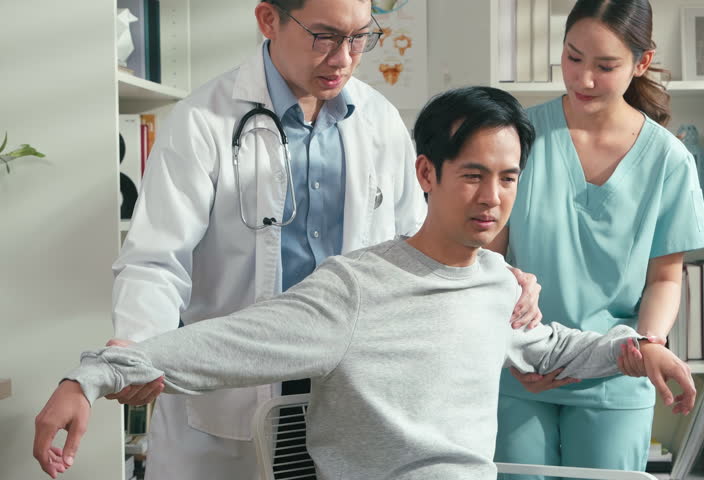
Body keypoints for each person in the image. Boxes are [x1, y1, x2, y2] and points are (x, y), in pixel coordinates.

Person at [33, 86, 696, 480]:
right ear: (427, 175)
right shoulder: (355, 288)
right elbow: (226, 344)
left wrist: (635, 348)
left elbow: (548, 350)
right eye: (472, 175)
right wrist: (91, 375)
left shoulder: (496, 283)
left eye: (508, 178)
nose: (491, 199)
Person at [105, 1, 543, 479]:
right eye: (324, 36)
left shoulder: (378, 120)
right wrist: (138, 347)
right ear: (268, 20)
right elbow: (156, 259)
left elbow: (422, 246)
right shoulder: (202, 121)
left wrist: (497, 281)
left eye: (358, 37)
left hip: (358, 398)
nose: (343, 57)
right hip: (235, 393)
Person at [490, 0, 704, 477]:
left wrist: (648, 341)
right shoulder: (519, 137)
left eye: (605, 66)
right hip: (522, 370)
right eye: (573, 58)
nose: (583, 79)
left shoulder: (669, 160)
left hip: (617, 372)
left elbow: (665, 280)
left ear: (641, 62)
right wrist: (509, 349)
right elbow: (489, 257)